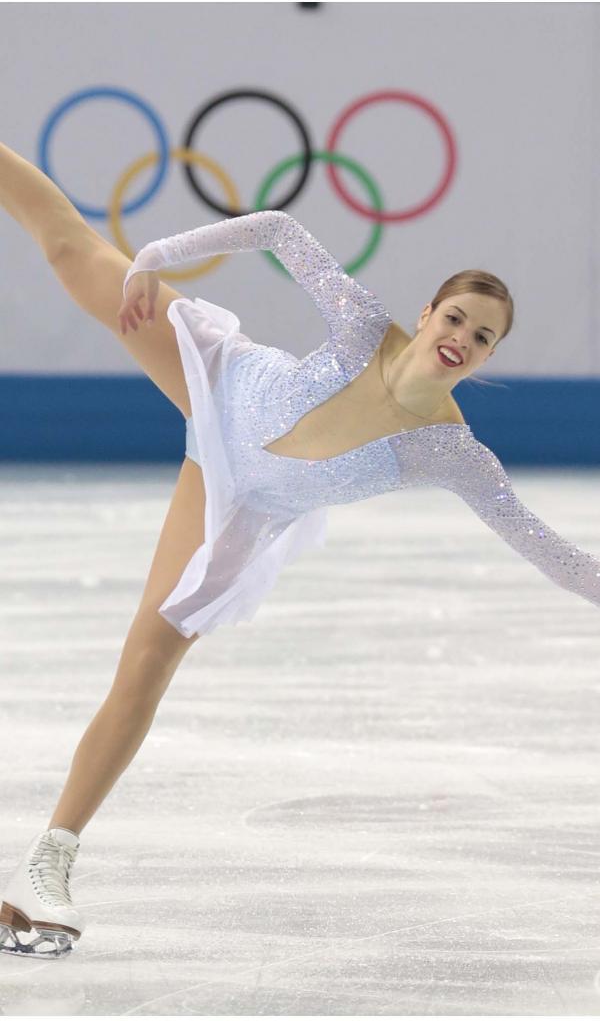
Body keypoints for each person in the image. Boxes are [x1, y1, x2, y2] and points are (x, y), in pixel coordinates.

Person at [1, 143, 599, 958]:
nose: (462, 337)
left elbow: (556, 555)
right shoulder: (362, 327)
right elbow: (279, 228)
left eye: (482, 336)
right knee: (76, 253)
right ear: (428, 312)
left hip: (239, 500)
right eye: (456, 317)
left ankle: (46, 862)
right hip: (220, 380)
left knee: (145, 663)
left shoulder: (448, 450)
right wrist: (158, 255)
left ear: (490, 358)